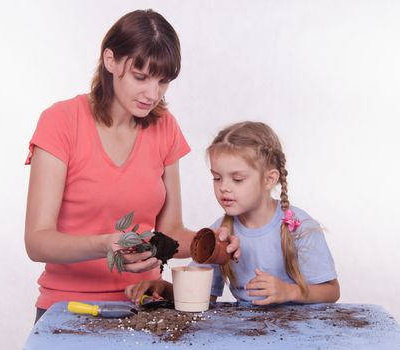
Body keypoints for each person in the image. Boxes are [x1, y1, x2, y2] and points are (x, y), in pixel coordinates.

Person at [24, 9, 239, 322]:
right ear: (110, 60)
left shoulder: (164, 126)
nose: (153, 94)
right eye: (141, 77)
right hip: (69, 309)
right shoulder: (60, 122)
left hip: (144, 305)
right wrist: (104, 244)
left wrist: (210, 244)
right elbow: (37, 241)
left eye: (163, 81)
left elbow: (170, 231)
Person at [126, 121, 339, 305]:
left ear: (269, 179)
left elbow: (331, 291)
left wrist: (288, 291)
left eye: (237, 179)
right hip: (249, 333)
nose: (224, 187)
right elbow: (202, 295)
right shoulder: (221, 234)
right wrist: (164, 289)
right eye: (217, 178)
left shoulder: (298, 226)